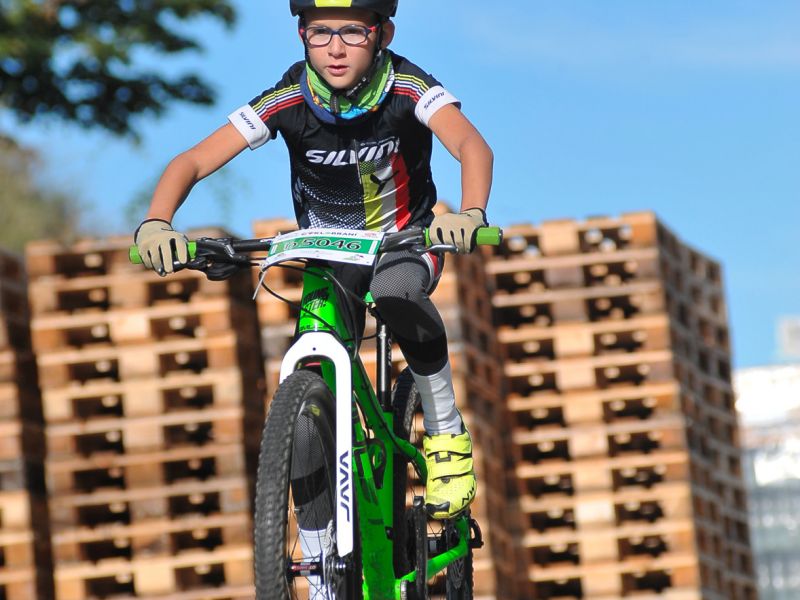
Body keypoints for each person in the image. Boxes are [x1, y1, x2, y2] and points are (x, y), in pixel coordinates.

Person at [134, 0, 493, 523]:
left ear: (384, 34)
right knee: (307, 382)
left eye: (353, 32)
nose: (336, 48)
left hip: (403, 242)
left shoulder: (408, 86)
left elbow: (471, 145)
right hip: (330, 253)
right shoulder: (289, 96)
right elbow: (192, 160)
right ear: (302, 36)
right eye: (320, 33)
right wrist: (157, 221)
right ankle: (320, 549)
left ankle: (444, 432)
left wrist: (471, 212)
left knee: (395, 293)